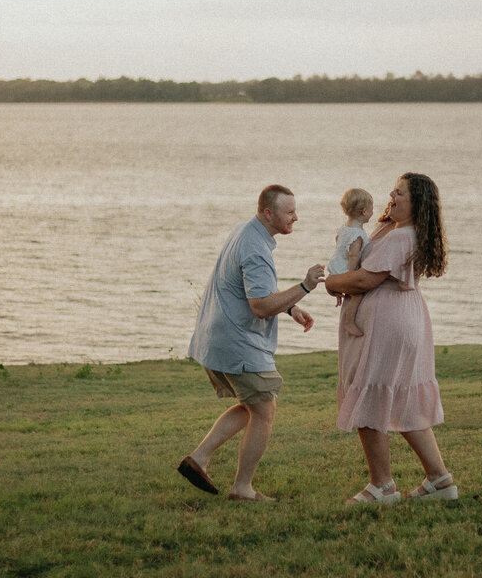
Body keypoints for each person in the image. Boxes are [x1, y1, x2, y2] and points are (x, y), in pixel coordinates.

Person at [178, 184, 325, 502]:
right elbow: (259, 305)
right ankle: (242, 488)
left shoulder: (245, 232)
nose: (296, 218)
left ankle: (199, 459)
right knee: (264, 410)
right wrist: (305, 286)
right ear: (268, 213)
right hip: (237, 341)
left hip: (216, 337)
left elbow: (251, 291)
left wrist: (290, 308)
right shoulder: (256, 249)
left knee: (253, 405)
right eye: (290, 212)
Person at [325, 172, 458, 504]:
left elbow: (364, 280)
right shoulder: (398, 231)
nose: (391, 196)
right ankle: (439, 481)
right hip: (402, 318)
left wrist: (331, 283)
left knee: (369, 395)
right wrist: (385, 218)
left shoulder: (402, 238)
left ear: (417, 205)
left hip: (388, 323)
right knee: (402, 399)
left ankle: (382, 486)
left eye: (400, 194)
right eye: (393, 191)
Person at [327, 188, 375, 339]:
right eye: (372, 209)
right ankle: (349, 321)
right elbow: (354, 255)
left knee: (349, 292)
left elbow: (338, 241)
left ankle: (339, 295)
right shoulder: (357, 234)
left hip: (336, 265)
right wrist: (351, 275)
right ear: (364, 212)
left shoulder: (344, 229)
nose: (373, 212)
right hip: (346, 269)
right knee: (357, 294)